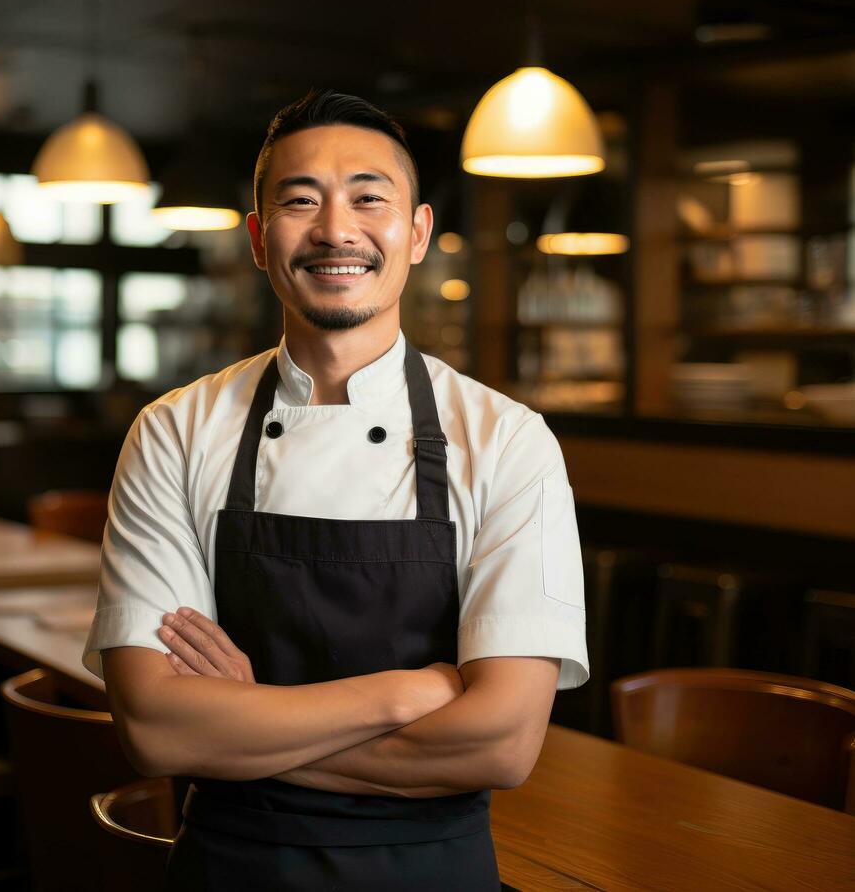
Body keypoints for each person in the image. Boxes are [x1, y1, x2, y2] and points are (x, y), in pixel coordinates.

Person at [83, 89, 590, 891]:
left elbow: (501, 746)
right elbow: (153, 728)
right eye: (299, 201)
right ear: (258, 239)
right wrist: (409, 692)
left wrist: (248, 726)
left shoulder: (508, 441)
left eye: (368, 198)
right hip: (232, 871)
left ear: (416, 233)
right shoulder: (174, 431)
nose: (335, 230)